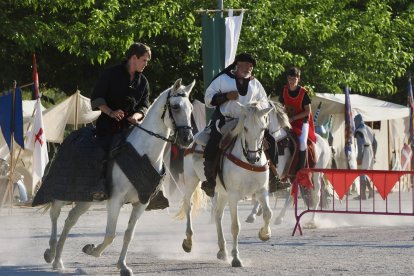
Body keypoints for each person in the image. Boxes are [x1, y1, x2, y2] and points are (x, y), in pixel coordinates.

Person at [91, 42, 168, 210]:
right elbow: (97, 99)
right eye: (144, 60)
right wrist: (111, 112)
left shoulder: (144, 82)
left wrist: (136, 116)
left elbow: (144, 106)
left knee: (151, 151)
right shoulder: (110, 74)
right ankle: (99, 186)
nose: (146, 64)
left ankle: (154, 192)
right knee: (104, 150)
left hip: (132, 128)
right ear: (134, 58)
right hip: (108, 126)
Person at [201, 53, 269, 197]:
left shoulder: (255, 83)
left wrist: (256, 107)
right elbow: (207, 99)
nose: (249, 68)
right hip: (226, 120)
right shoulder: (223, 79)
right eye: (246, 64)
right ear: (238, 64)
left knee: (269, 140)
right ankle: (210, 181)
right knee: (213, 143)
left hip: (248, 121)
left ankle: (274, 177)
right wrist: (225, 97)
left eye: (251, 66)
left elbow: (264, 102)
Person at [279, 67, 316, 171]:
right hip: (287, 121)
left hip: (301, 122)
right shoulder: (284, 90)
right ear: (287, 79)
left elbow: (307, 111)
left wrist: (293, 118)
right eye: (290, 79)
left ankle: (301, 169)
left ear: (298, 79)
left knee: (303, 143)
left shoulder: (303, 93)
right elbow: (281, 106)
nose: (291, 81)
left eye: (294, 79)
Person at [353, 114, 377, 200]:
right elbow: (375, 143)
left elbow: (360, 145)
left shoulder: (359, 130)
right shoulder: (369, 129)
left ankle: (362, 195)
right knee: (365, 172)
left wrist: (359, 157)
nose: (355, 123)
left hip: (365, 150)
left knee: (362, 172)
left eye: (355, 121)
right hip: (370, 150)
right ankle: (371, 191)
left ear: (358, 121)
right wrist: (374, 155)